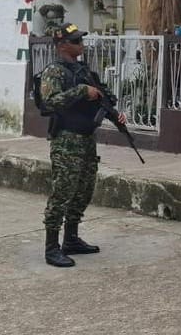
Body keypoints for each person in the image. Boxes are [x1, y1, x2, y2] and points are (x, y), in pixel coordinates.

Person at [38, 23, 125, 268]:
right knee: (62, 191)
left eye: (80, 40)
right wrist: (80, 91)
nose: (80, 45)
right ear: (63, 45)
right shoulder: (53, 72)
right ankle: (52, 247)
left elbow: (99, 99)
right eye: (76, 41)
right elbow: (50, 103)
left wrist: (114, 114)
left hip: (86, 139)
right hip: (66, 140)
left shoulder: (83, 70)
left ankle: (72, 239)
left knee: (84, 189)